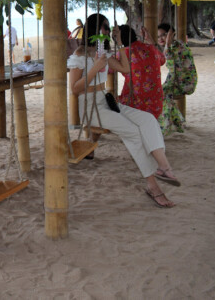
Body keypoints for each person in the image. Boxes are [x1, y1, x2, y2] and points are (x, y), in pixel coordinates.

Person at [68, 13, 180, 208]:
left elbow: (125, 69)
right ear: (95, 29)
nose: (106, 31)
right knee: (134, 132)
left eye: (108, 27)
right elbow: (74, 89)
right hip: (90, 107)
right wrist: (95, 68)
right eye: (104, 27)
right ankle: (153, 186)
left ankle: (163, 167)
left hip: (106, 100)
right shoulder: (79, 54)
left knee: (147, 120)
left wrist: (120, 43)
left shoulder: (101, 51)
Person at [116, 25, 165, 119]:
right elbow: (162, 60)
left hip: (134, 105)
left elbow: (108, 68)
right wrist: (149, 39)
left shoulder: (123, 53)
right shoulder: (151, 48)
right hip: (156, 105)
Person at [156, 23, 197, 135]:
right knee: (162, 92)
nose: (160, 38)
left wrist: (167, 44)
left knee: (161, 94)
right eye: (158, 36)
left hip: (185, 83)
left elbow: (170, 64)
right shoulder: (176, 44)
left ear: (171, 34)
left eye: (163, 35)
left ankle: (166, 126)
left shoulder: (176, 47)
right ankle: (177, 123)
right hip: (178, 80)